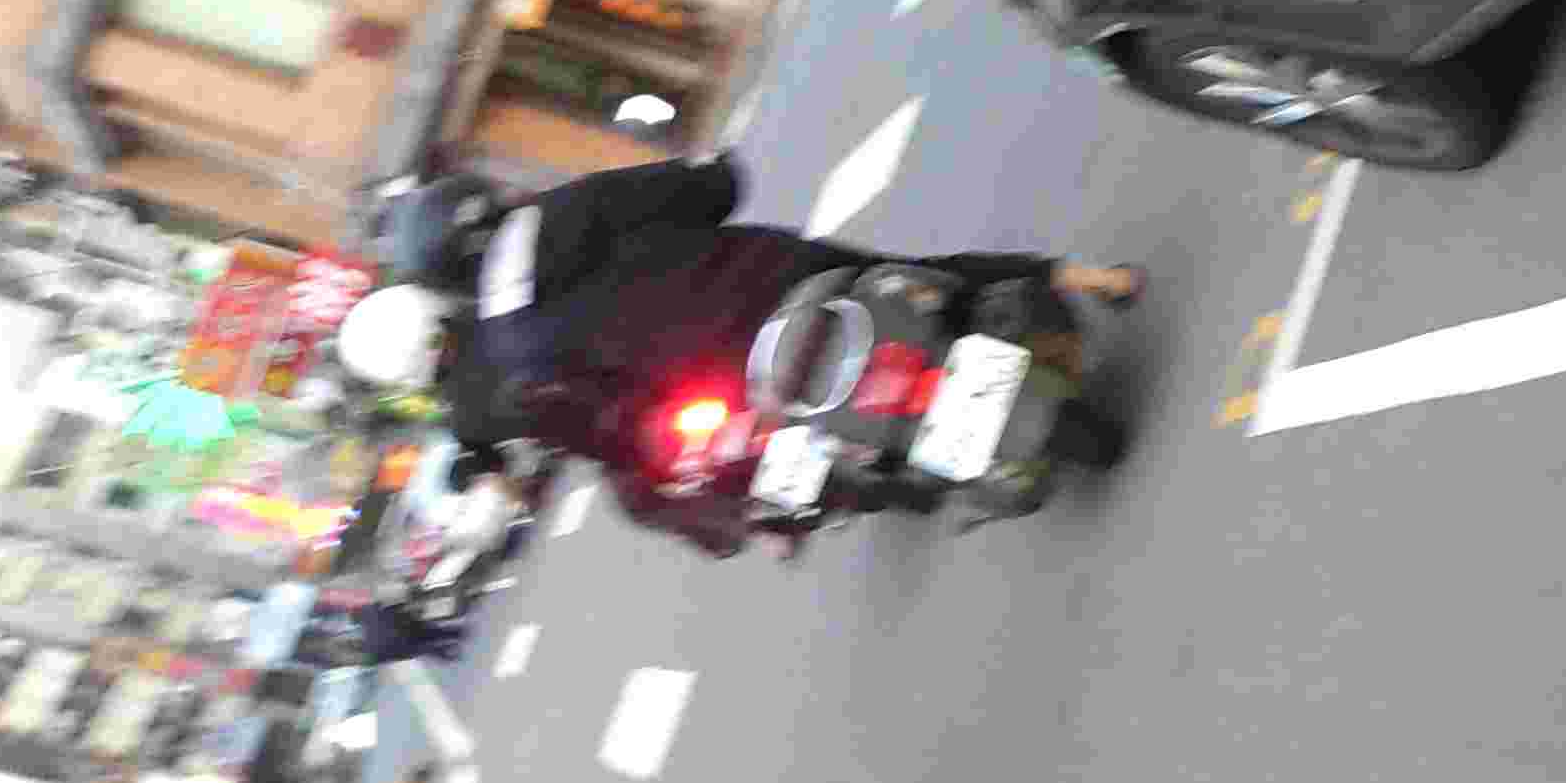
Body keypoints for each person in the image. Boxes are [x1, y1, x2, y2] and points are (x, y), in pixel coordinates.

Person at [331, 156, 1138, 554]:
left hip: (741, 384)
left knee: (809, 453)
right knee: (930, 280)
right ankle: (1085, 277)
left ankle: (931, 469)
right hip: (786, 277)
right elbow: (714, 189)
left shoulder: (511, 353)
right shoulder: (567, 206)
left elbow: (609, 417)